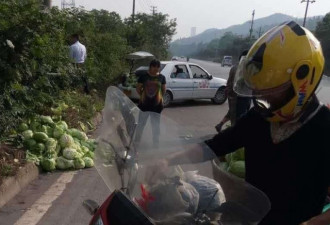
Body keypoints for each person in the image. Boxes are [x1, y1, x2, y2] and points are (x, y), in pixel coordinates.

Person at [148, 21, 330, 225]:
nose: (264, 98)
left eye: (271, 90)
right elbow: (214, 146)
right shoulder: (259, 119)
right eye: (260, 90)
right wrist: (168, 160)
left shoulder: (323, 128)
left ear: (302, 81)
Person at [215, 50, 251, 132]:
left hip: (234, 96)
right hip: (241, 97)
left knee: (232, 112)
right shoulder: (244, 70)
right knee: (238, 117)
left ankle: (221, 125)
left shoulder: (234, 67)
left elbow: (229, 81)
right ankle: (234, 133)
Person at [135, 59, 166, 148]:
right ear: (150, 67)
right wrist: (143, 96)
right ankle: (136, 143)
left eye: (158, 67)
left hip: (157, 106)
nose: (156, 69)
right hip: (144, 105)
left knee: (155, 126)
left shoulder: (162, 77)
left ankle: (155, 144)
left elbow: (163, 90)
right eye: (154, 66)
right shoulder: (143, 76)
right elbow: (138, 88)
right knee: (141, 125)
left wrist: (159, 98)